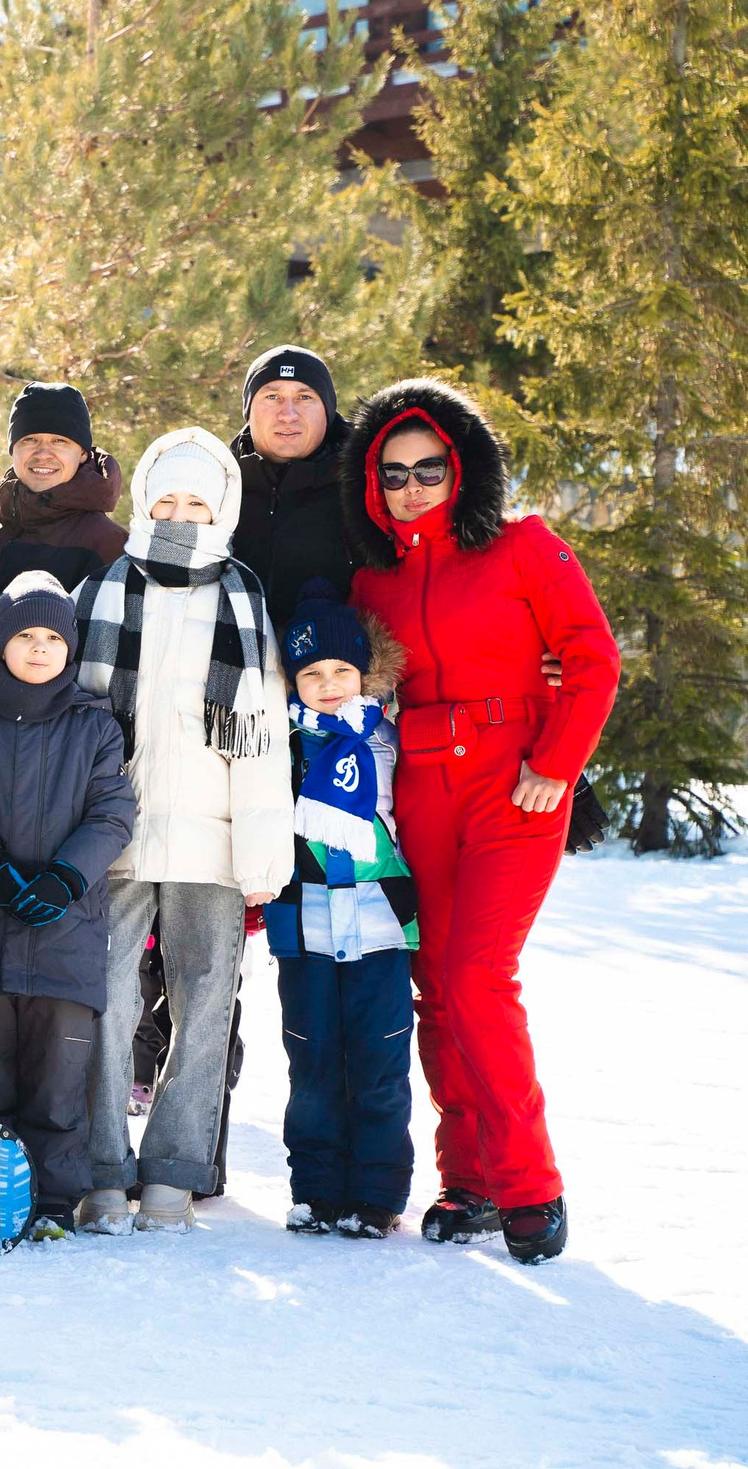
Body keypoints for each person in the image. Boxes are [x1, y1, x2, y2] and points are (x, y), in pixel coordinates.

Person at [343, 378, 618, 1264]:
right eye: (394, 474)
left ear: (463, 467)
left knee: (477, 976)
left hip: (516, 788)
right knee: (434, 985)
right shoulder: (371, 582)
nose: (413, 486)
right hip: (422, 788)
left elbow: (591, 656)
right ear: (371, 485)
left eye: (430, 468)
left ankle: (530, 1183)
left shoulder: (523, 547)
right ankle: (469, 1181)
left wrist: (557, 763)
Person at [71, 427, 292, 1234]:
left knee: (205, 1006)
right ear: (142, 501)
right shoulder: (101, 593)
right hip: (115, 841)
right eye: (166, 499)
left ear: (221, 508)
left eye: (197, 501)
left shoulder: (241, 601)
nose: (179, 513)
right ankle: (99, 1169)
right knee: (104, 1000)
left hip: (213, 843)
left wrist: (265, 852)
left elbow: (263, 741)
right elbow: (74, 725)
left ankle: (172, 1171)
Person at [0, 572, 137, 1238]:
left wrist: (65, 878)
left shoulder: (95, 728)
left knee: (60, 1080)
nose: (38, 649)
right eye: (24, 636)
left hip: (67, 936)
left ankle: (52, 1203)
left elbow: (113, 814)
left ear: (70, 648)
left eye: (51, 637)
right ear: (1, 645)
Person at [271, 578, 417, 1240]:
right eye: (312, 673)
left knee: (380, 1065)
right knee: (313, 1064)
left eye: (342, 671)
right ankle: (318, 1191)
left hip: (381, 925)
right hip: (304, 926)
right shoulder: (279, 745)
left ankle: (378, 1195)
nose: (328, 684)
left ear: (365, 673)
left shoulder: (388, 734)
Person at [233, 346, 356, 635]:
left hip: (332, 675)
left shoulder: (367, 487)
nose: (288, 414)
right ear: (249, 410)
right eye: (272, 396)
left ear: (328, 410)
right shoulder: (213, 490)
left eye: (305, 397)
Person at [0, 382, 127, 590]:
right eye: (30, 439)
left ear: (83, 454)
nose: (43, 454)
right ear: (13, 450)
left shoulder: (109, 543)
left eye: (59, 441)